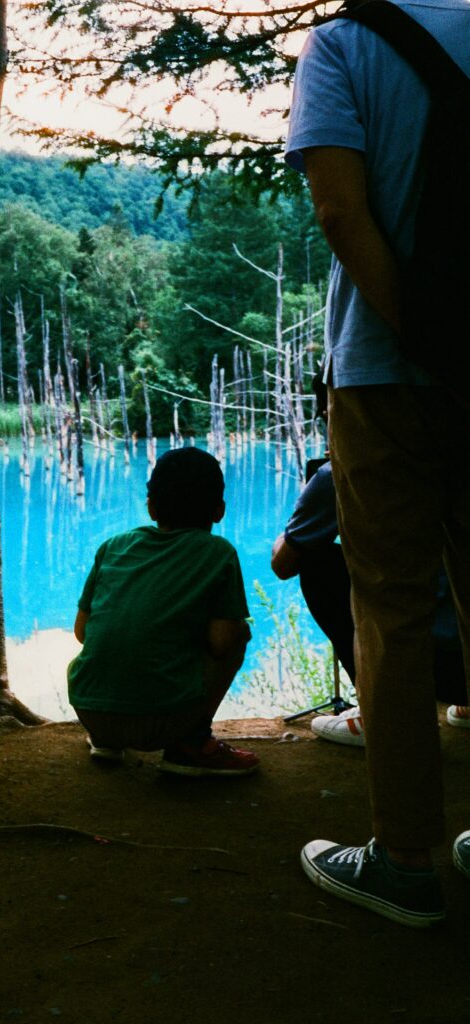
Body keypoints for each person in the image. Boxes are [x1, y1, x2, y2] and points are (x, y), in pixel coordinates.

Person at [285, 0, 470, 926]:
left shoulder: (344, 44)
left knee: (389, 606)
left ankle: (403, 862)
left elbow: (336, 206)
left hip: (382, 376)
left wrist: (419, 335)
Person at [67, 446, 259, 777]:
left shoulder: (113, 546)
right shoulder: (219, 552)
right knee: (239, 632)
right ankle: (192, 744)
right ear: (219, 511)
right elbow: (223, 643)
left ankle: (106, 740)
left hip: (89, 709)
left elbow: (82, 632)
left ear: (151, 507)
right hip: (165, 722)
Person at [271, 456, 467, 747]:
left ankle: (385, 710)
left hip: (424, 664)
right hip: (462, 668)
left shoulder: (348, 468)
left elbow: (283, 564)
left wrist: (299, 525)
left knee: (316, 563)